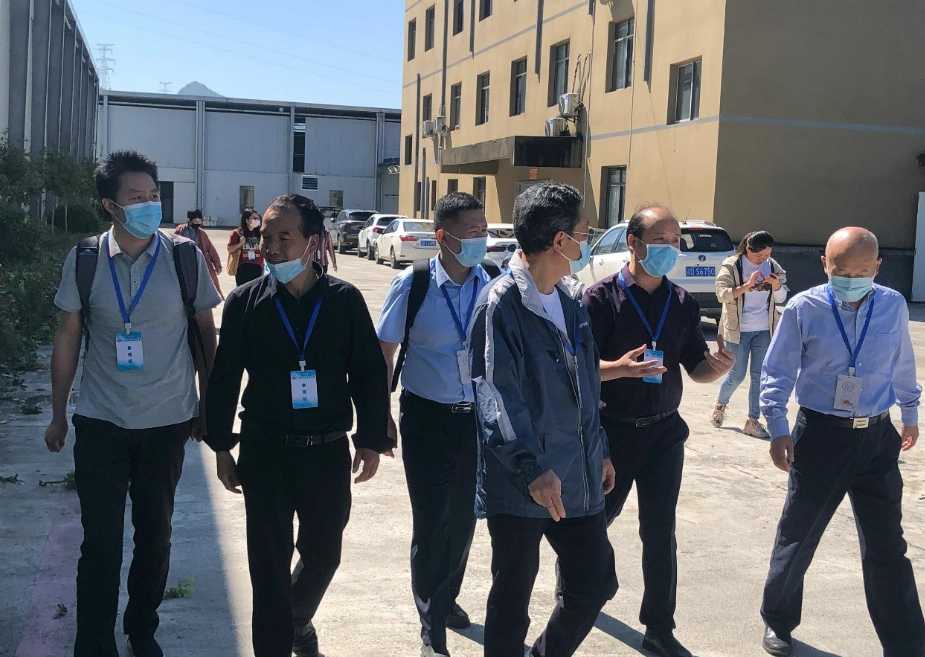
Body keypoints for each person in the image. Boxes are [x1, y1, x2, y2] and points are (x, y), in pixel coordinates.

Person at [43, 150, 221, 657]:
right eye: (136, 197)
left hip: (167, 421)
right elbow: (68, 336)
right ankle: (94, 642)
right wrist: (58, 414)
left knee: (155, 536)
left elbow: (206, 334)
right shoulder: (85, 260)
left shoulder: (183, 257)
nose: (149, 205)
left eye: (154, 195)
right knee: (100, 542)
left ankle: (142, 629)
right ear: (110, 205)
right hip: (101, 420)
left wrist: (209, 403)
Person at [205, 193, 390, 657]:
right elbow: (224, 377)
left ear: (312, 242)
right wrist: (222, 446)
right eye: (266, 237)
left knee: (324, 553)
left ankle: (296, 620)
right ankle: (277, 641)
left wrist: (370, 440)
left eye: (283, 237)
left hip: (326, 451)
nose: (271, 247)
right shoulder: (245, 302)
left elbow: (368, 373)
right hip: (264, 451)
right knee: (268, 568)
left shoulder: (344, 301)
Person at [758, 227, 923, 657]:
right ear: (825, 265)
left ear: (878, 267)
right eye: (842, 271)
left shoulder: (892, 305)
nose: (852, 279)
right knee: (799, 535)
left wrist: (910, 413)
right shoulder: (804, 308)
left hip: (876, 438)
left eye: (863, 271)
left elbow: (902, 363)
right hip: (820, 437)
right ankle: (778, 620)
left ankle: (907, 642)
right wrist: (777, 427)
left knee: (888, 545)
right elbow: (777, 370)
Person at [469, 182, 618, 657]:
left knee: (594, 581)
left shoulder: (571, 299)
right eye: (584, 233)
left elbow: (587, 386)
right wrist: (531, 468)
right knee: (513, 596)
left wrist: (601, 449)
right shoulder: (501, 305)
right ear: (560, 240)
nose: (586, 241)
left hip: (577, 472)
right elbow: (495, 397)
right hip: (524, 481)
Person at [582, 205, 735, 657]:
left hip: (665, 434)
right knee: (594, 522)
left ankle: (659, 628)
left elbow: (695, 367)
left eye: (675, 241)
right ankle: (578, 584)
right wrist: (619, 368)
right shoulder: (599, 299)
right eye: (661, 240)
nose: (671, 249)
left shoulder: (682, 303)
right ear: (634, 243)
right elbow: (579, 370)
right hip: (612, 433)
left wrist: (716, 368)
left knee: (660, 531)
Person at [378, 192, 490, 657]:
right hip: (426, 417)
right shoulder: (414, 284)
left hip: (476, 421)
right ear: (442, 236)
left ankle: (446, 598)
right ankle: (432, 628)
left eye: (484, 230)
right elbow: (384, 351)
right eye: (471, 232)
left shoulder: (493, 282)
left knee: (464, 519)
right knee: (430, 521)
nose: (481, 239)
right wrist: (380, 415)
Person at [712, 230, 788, 437]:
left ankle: (753, 421)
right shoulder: (732, 265)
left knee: (759, 376)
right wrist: (746, 286)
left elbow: (781, 298)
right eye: (759, 255)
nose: (763, 259)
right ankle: (720, 405)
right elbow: (722, 295)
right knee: (736, 375)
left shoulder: (772, 266)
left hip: (763, 329)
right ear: (748, 248)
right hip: (738, 331)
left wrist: (776, 285)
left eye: (767, 255)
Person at [176, 209, 224, 299]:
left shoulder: (202, 233)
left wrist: (217, 264)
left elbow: (211, 249)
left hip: (199, 262)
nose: (198, 223)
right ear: (189, 220)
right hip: (185, 262)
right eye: (196, 221)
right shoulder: (181, 230)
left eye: (199, 221)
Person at [228, 207, 265, 286]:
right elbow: (230, 249)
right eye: (254, 218)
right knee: (243, 291)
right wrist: (240, 244)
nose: (257, 220)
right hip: (243, 268)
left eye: (258, 218)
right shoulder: (237, 233)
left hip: (257, 267)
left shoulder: (259, 234)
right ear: (247, 220)